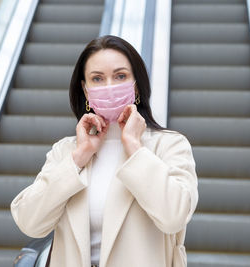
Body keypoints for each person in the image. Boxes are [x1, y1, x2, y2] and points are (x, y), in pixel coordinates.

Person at [11, 35, 198, 267]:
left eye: (120, 76)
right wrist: (79, 157)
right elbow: (30, 222)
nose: (109, 86)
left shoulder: (169, 145)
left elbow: (173, 218)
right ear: (85, 89)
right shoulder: (66, 151)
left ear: (136, 85)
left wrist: (134, 147)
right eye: (97, 78)